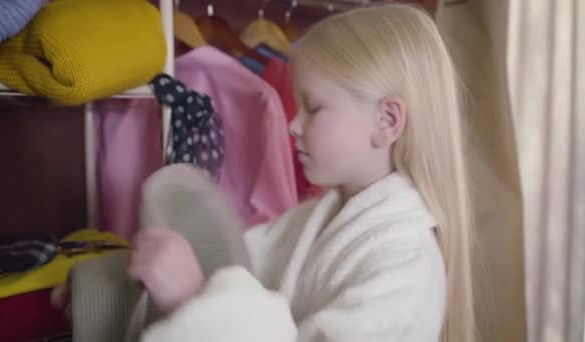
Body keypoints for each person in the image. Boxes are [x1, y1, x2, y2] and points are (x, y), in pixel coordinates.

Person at [129, 4, 477, 342]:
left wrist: (193, 300)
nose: (294, 125)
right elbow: (227, 260)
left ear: (387, 120)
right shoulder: (311, 223)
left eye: (313, 108)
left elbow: (212, 287)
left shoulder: (407, 272)